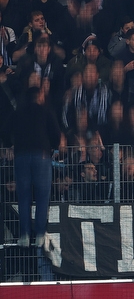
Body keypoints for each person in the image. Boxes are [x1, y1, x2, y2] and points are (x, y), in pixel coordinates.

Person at [3, 87, 62, 250]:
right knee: (42, 197)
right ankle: (40, 235)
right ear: (39, 96)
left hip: (21, 156)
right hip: (41, 155)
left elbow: (5, 130)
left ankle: (24, 235)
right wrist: (54, 146)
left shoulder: (18, 112)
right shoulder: (45, 111)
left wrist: (9, 145)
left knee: (23, 197)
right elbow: (56, 133)